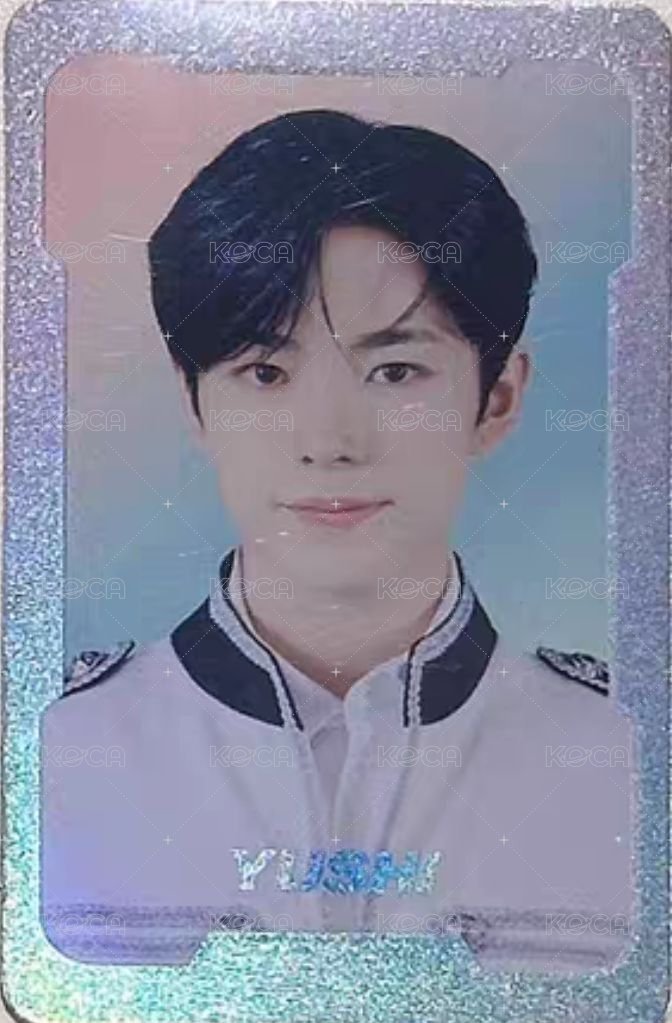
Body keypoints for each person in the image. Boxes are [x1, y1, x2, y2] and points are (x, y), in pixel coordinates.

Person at [41, 108, 634, 971]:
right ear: (193, 402)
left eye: (395, 370)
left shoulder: (624, 755)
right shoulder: (54, 747)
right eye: (266, 372)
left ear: (497, 397)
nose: (330, 441)